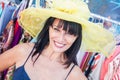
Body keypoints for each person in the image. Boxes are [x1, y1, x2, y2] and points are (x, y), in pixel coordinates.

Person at [0, 0, 115, 80]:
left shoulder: (74, 75)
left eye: (70, 33)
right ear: (48, 28)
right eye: (56, 29)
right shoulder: (23, 52)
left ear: (76, 37)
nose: (61, 38)